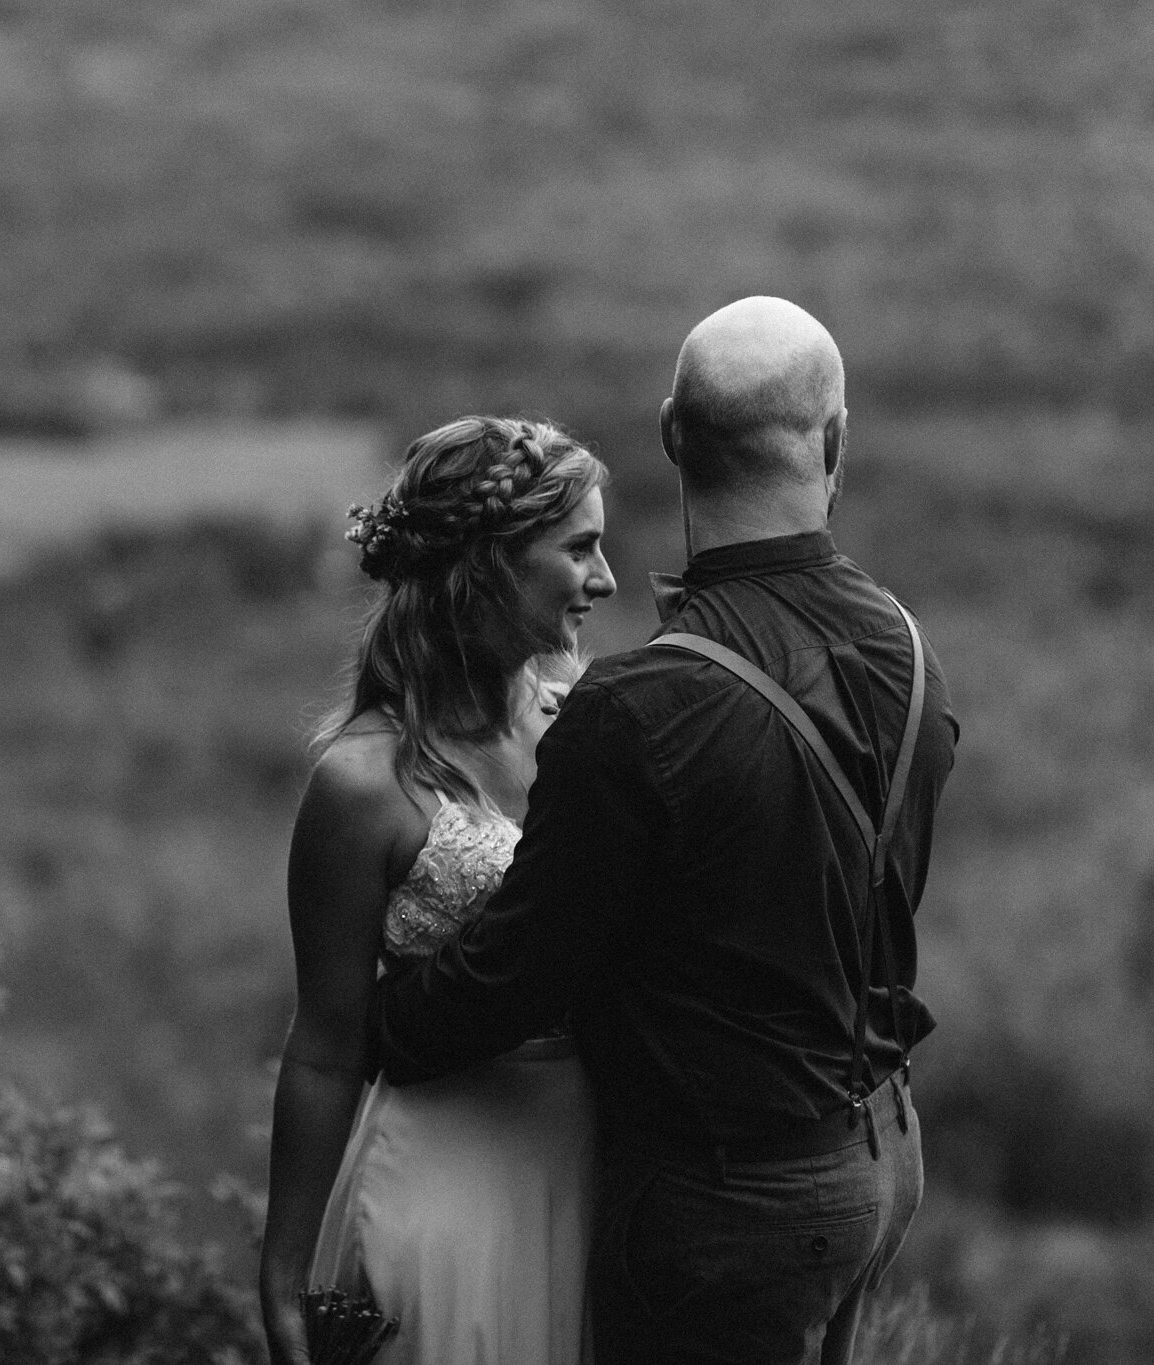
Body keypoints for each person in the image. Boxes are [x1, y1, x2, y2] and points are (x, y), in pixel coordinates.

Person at [369, 297, 959, 1365]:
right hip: (880, 1156)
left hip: (723, 1203)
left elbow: (515, 976)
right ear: (835, 442)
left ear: (670, 437)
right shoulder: (906, 651)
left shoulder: (630, 712)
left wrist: (377, 1024)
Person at [259, 414, 617, 1365]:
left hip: (600, 1170)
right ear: (494, 564)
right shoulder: (361, 784)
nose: (607, 577)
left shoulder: (590, 723)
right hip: (447, 1189)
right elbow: (326, 1046)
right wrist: (284, 1269)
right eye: (580, 548)